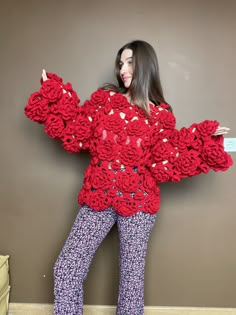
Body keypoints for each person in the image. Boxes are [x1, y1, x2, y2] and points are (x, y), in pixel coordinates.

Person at [24, 40, 233, 315]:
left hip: (139, 202)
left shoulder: (160, 114)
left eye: (130, 61)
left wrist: (204, 139)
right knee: (67, 267)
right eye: (121, 63)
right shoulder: (104, 101)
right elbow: (76, 127)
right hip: (98, 195)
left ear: (146, 64)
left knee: (131, 283)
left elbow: (167, 153)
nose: (123, 69)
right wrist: (55, 94)